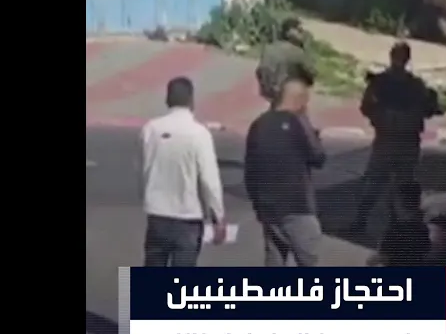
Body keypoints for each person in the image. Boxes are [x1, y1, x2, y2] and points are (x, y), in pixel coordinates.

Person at [348, 42, 441, 235]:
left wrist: (382, 117)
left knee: (377, 183)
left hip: (390, 139)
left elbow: (366, 107)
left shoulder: (381, 82)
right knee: (400, 187)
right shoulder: (415, 85)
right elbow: (430, 109)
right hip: (404, 141)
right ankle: (395, 228)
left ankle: (362, 222)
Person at [139, 77, 226, 267]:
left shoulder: (151, 129)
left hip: (157, 214)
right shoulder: (199, 133)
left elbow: (146, 169)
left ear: (167, 99)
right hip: (188, 218)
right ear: (191, 101)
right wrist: (218, 216)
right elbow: (209, 180)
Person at [244, 78, 326, 266]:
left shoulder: (258, 124)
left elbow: (250, 170)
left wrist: (258, 204)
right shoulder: (298, 123)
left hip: (268, 207)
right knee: (308, 261)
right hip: (297, 207)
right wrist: (311, 130)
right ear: (300, 101)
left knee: (274, 259)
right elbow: (318, 157)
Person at [256, 17, 314, 105]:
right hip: (287, 95)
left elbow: (260, 71)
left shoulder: (269, 48)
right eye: (299, 30)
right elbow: (311, 75)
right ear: (290, 32)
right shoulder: (297, 52)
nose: (302, 33)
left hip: (269, 93)